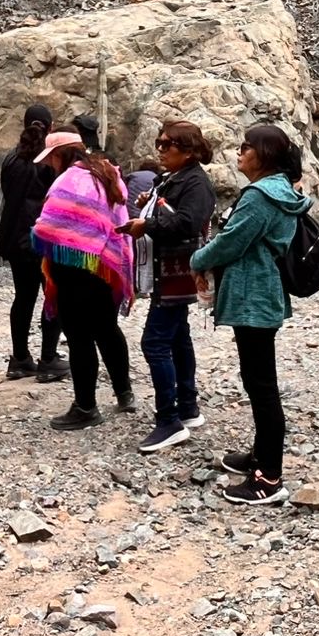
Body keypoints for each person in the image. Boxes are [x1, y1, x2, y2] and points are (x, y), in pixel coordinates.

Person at [190, 124, 310, 505]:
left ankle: (268, 478)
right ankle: (260, 455)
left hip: (252, 296)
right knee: (259, 380)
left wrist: (197, 259)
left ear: (264, 155)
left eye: (246, 147)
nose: (239, 153)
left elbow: (231, 241)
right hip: (263, 293)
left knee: (261, 385)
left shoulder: (260, 196)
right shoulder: (280, 191)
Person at [31, 126, 135, 429]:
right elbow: (115, 221)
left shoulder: (69, 180)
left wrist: (37, 232)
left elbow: (48, 227)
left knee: (79, 337)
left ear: (60, 154)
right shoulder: (107, 172)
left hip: (74, 270)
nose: (49, 164)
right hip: (105, 267)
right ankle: (124, 392)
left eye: (50, 158)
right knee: (107, 329)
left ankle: (86, 407)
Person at [122, 120, 215, 453]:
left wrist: (147, 223)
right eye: (158, 144)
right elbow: (172, 211)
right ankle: (187, 407)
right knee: (177, 338)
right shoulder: (176, 178)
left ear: (187, 150)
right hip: (170, 271)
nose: (159, 150)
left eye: (166, 145)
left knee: (155, 342)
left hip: (177, 273)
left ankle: (168, 421)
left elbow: (188, 222)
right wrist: (153, 201)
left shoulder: (196, 183)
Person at [0, 105, 69, 382]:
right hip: (45, 238)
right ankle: (49, 358)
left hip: (15, 237)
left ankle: (19, 359)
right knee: (53, 296)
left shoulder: (10, 159)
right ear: (51, 128)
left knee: (23, 296)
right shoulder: (50, 161)